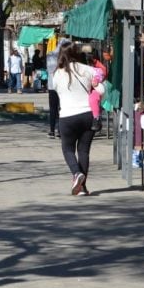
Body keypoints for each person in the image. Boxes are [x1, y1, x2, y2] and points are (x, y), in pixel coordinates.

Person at [54, 42, 98, 196]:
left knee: (67, 149)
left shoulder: (57, 74)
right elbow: (100, 87)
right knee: (84, 151)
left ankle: (76, 173)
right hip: (88, 114)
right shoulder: (89, 70)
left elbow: (56, 91)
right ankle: (83, 187)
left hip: (67, 116)